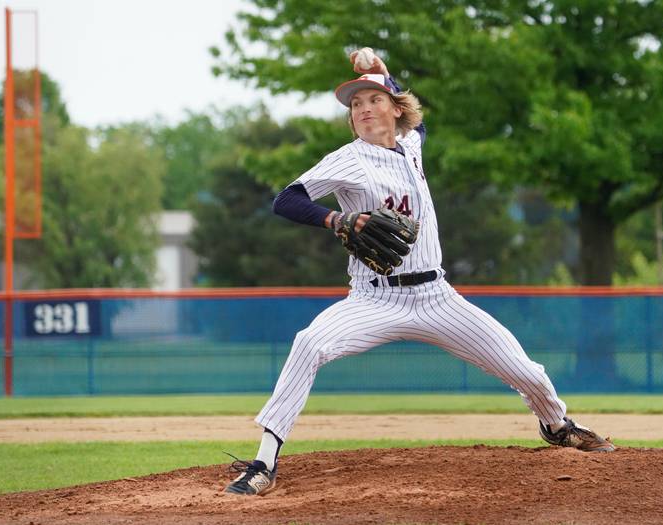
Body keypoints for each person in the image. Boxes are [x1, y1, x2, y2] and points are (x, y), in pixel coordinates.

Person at [224, 49, 614, 497]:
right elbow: (286, 199)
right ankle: (264, 462)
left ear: (395, 107)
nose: (364, 109)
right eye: (355, 105)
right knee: (309, 343)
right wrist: (336, 220)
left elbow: (419, 125)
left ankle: (556, 424)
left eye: (373, 99)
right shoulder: (350, 160)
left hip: (436, 298)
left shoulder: (410, 145)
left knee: (525, 369)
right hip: (374, 299)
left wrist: (383, 73)